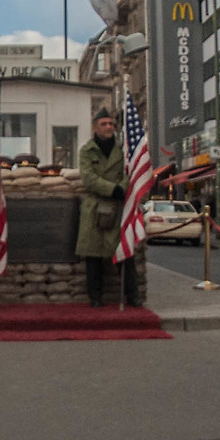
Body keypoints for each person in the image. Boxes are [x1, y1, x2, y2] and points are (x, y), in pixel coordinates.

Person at [75, 110, 137, 308]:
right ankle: (95, 296)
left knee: (125, 254)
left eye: (111, 123)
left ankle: (132, 295)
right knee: (93, 256)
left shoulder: (123, 150)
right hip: (95, 208)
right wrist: (113, 188)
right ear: (95, 127)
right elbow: (88, 178)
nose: (109, 127)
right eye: (104, 124)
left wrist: (123, 187)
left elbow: (131, 172)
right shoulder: (87, 151)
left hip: (119, 207)